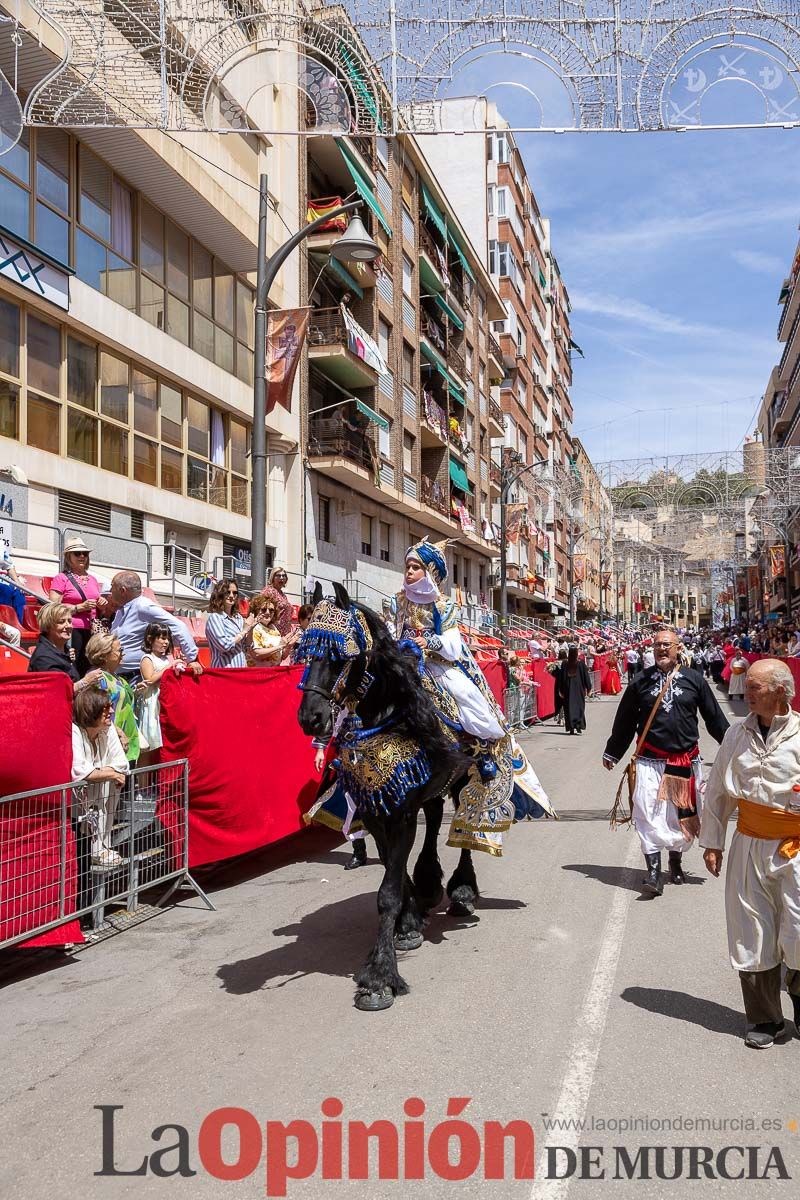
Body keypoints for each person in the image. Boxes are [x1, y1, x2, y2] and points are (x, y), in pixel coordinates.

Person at [701, 659, 800, 1049]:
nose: (746, 690)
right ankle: (765, 1019)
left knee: (798, 928)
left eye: (756, 686)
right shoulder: (735, 736)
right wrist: (713, 841)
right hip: (749, 844)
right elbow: (718, 792)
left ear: (780, 691)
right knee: (751, 931)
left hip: (795, 849)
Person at [603, 627, 729, 897]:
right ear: (652, 649)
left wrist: (731, 746)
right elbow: (625, 720)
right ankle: (652, 873)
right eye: (658, 645)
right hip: (649, 762)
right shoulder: (641, 681)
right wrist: (613, 752)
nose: (662, 649)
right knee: (647, 814)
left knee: (677, 817)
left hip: (684, 763)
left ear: (678, 648)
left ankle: (675, 862)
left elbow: (714, 717)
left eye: (667, 645)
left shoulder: (694, 680)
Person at [71, 685, 129, 870]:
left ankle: (101, 848)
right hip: (75, 810)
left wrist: (99, 772)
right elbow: (80, 771)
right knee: (79, 859)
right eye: (106, 708)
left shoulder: (109, 728)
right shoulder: (74, 732)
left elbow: (122, 764)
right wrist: (111, 773)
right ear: (92, 710)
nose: (111, 711)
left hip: (99, 802)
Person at [110, 571, 201, 682]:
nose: (110, 591)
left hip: (137, 677)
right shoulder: (121, 611)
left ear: (122, 590)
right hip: (120, 677)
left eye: (112, 586)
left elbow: (179, 627)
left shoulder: (143, 606)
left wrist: (191, 659)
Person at [48, 536, 108, 676]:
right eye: (77, 553)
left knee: (88, 666)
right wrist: (78, 608)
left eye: (85, 553)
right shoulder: (61, 578)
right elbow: (52, 607)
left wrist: (101, 605)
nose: (82, 556)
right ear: (69, 556)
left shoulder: (93, 579)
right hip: (70, 629)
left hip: (91, 630)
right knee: (73, 667)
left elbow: (99, 610)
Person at [85, 632, 143, 766]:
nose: (123, 653)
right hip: (112, 742)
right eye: (119, 650)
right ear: (104, 655)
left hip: (127, 741)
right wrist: (118, 732)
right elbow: (98, 710)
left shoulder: (118, 677)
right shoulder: (97, 678)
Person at [137, 623, 183, 757]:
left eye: (167, 639)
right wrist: (170, 667)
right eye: (162, 638)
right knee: (149, 747)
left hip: (165, 702)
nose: (166, 642)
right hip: (152, 704)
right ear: (151, 639)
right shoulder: (147, 658)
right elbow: (149, 679)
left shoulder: (166, 659)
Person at [206, 579, 256, 668]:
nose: (231, 596)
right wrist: (244, 631)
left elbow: (247, 646)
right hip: (223, 672)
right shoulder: (215, 618)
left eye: (235, 593)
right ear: (220, 594)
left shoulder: (239, 618)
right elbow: (224, 645)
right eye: (227, 592)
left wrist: (251, 628)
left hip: (240, 671)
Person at [28, 603, 80, 682]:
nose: (68, 626)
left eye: (69, 621)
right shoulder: (43, 658)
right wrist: (85, 682)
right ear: (48, 626)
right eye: (61, 622)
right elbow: (58, 689)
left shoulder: (66, 651)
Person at [557, 645, 592, 735]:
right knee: (579, 707)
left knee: (568, 708)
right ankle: (578, 726)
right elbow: (586, 677)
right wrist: (588, 688)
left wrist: (560, 689)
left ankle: (571, 727)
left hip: (567, 689)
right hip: (579, 689)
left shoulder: (565, 664)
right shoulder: (580, 664)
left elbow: (562, 678)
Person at [260, 566, 293, 637]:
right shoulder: (268, 591)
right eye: (278, 575)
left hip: (284, 633)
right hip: (273, 632)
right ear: (273, 578)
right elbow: (261, 610)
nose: (281, 578)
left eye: (284, 576)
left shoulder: (282, 594)